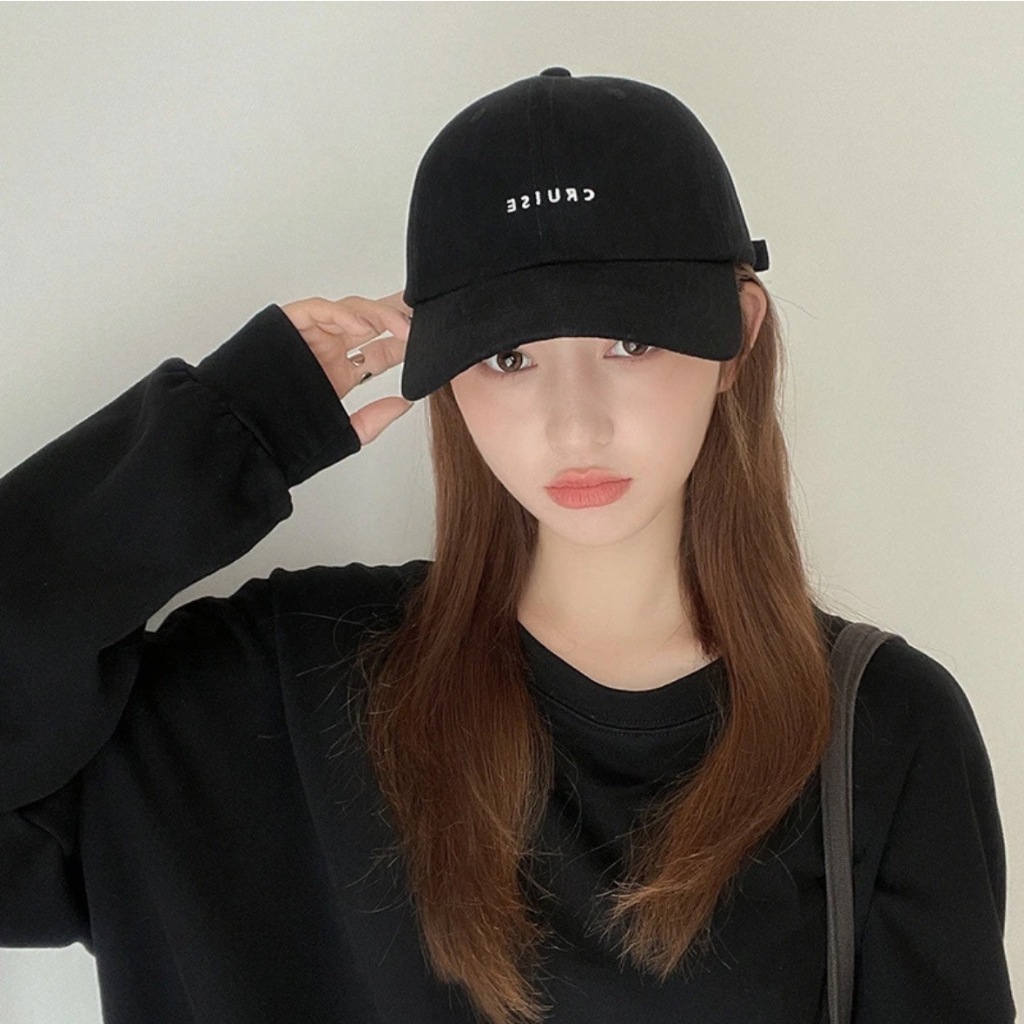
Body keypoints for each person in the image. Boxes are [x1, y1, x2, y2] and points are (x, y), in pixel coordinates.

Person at [0, 69, 1014, 1024]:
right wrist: (234, 430)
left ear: (736, 337)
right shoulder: (270, 691)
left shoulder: (879, 732)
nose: (574, 425)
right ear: (443, 370)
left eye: (629, 342)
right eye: (509, 355)